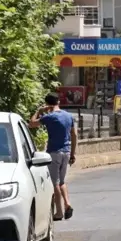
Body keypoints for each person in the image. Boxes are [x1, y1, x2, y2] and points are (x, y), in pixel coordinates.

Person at [29, 93, 77, 221]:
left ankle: (59, 212)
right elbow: (74, 135)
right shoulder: (68, 116)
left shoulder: (49, 117)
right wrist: (72, 154)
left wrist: (39, 111)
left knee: (54, 182)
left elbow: (32, 124)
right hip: (66, 152)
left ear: (47, 104)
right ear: (58, 102)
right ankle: (67, 203)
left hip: (54, 153)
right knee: (62, 181)